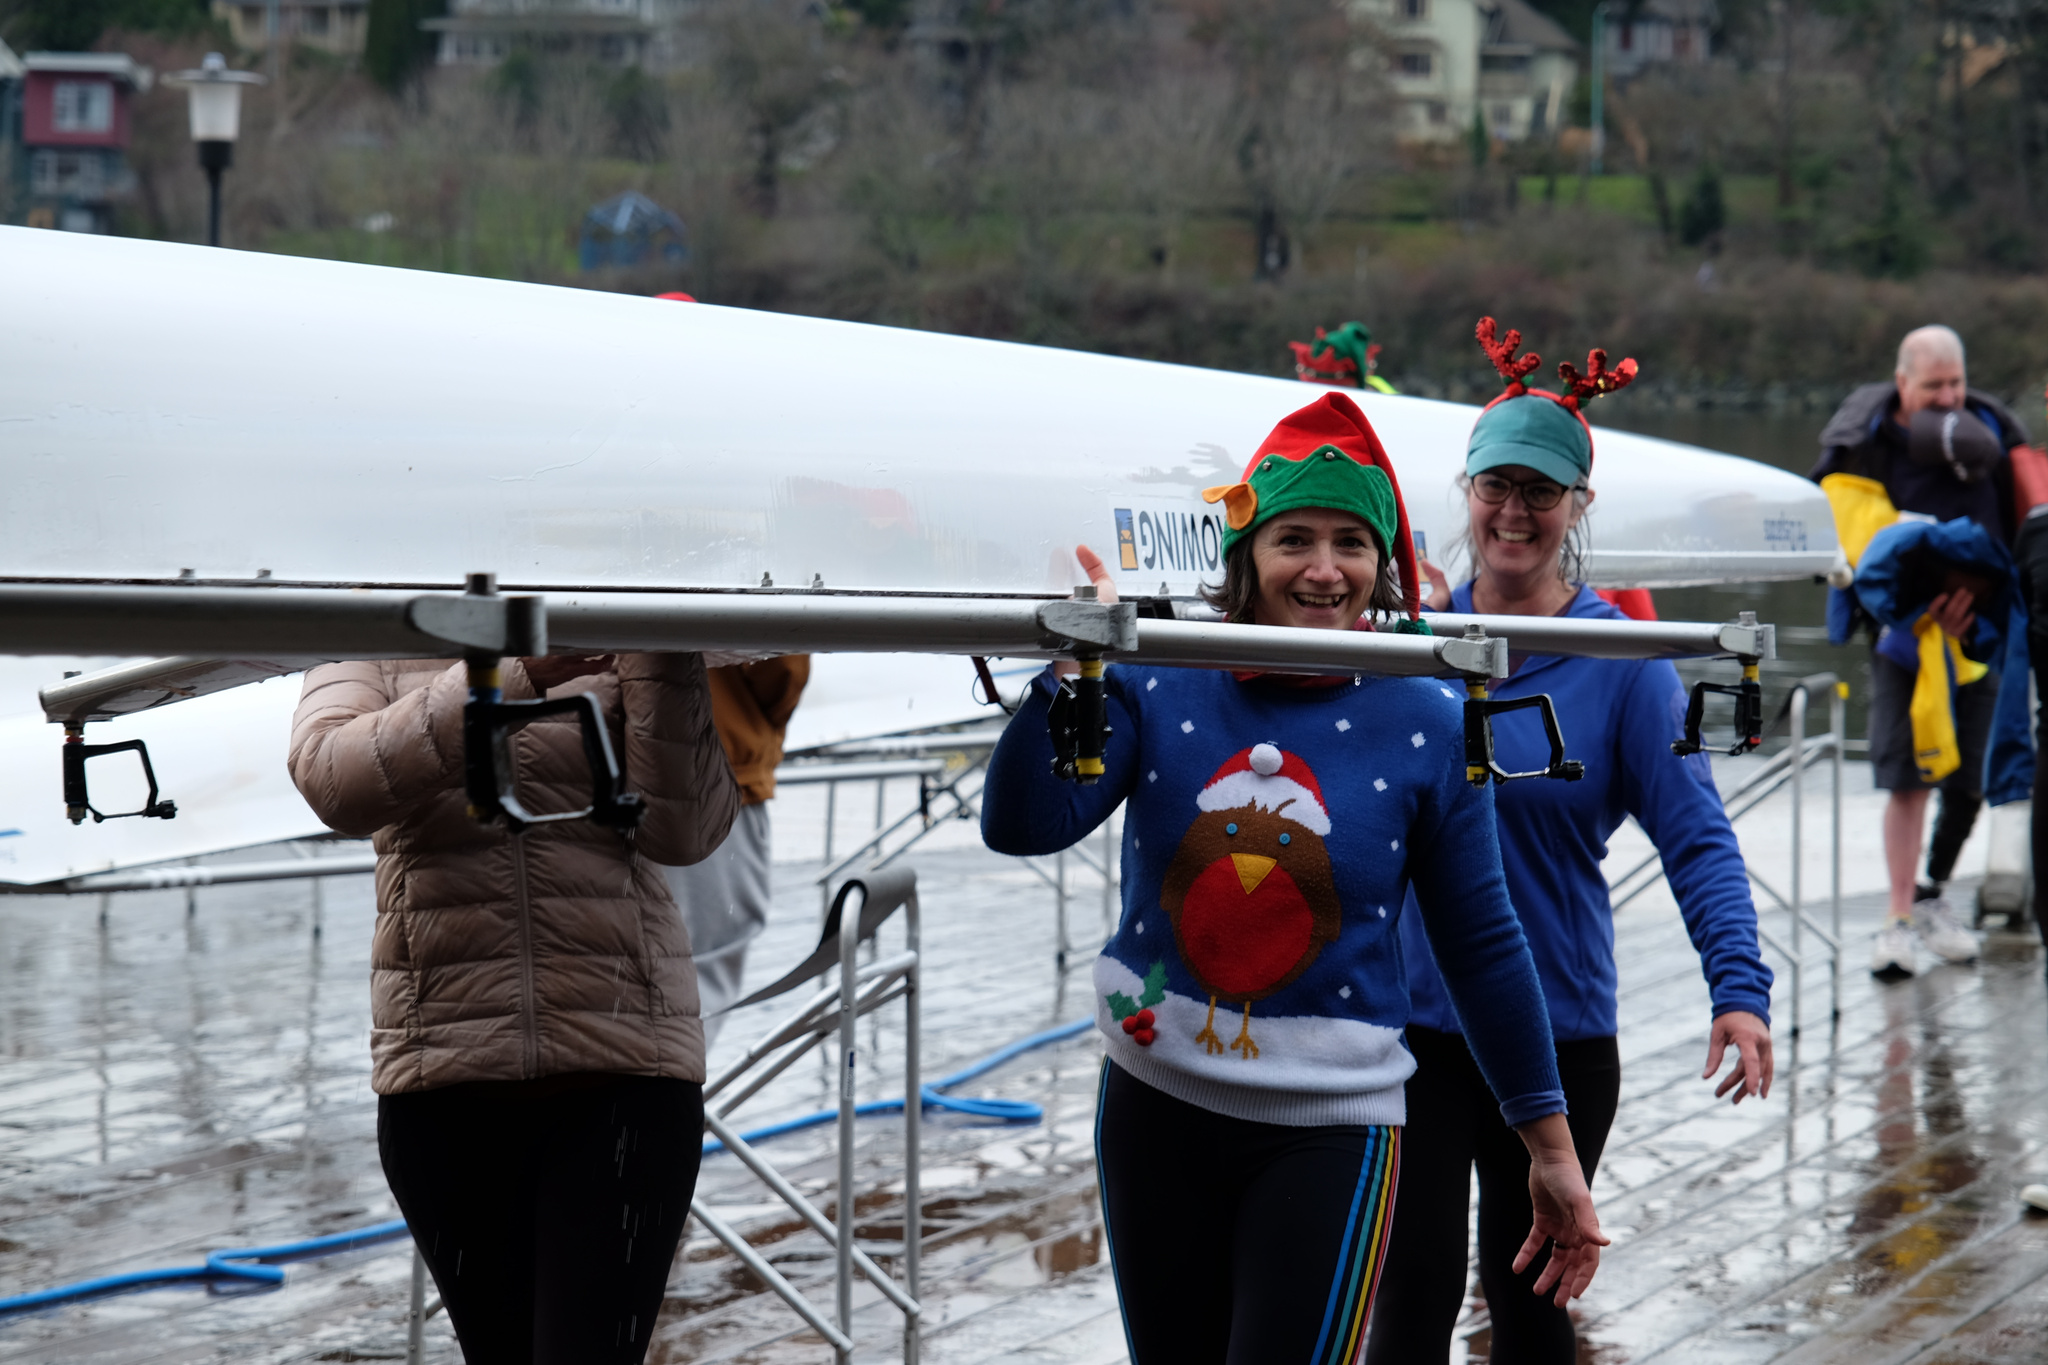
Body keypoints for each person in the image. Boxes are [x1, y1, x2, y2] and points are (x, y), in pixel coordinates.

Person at [980, 391, 1607, 1364]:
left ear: (1383, 565)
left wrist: (1551, 1152)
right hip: (1152, 1101)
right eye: (1293, 540)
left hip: (1330, 1126)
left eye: (1351, 543)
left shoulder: (1428, 719)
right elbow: (1024, 825)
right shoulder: (1160, 674)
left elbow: (1481, 947)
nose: (1323, 570)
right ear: (1246, 557)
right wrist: (1070, 671)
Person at [1366, 319, 1775, 1365]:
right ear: (1463, 491)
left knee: (1530, 1305)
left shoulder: (1621, 664)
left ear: (1575, 509)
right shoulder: (1399, 646)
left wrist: (1737, 991)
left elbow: (1696, 840)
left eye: (1539, 493)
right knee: (1401, 1297)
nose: (1513, 512)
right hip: (1404, 1026)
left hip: (1555, 1030)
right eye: (1495, 486)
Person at [287, 651, 739, 1365]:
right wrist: (513, 668)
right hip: (444, 1071)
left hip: (626, 1069)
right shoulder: (375, 618)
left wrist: (661, 656)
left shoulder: (623, 610)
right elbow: (333, 780)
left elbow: (684, 832)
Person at [1811, 325, 2030, 977]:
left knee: (1970, 779)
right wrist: (1910, 603)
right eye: (1934, 385)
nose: (1948, 396)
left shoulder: (1990, 437)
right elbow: (1851, 534)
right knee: (1906, 777)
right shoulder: (1872, 443)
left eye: (1956, 382)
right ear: (1902, 383)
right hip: (1903, 637)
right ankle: (1898, 919)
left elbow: (2018, 527)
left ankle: (1935, 892)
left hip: (1980, 634)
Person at [665, 657, 810, 1041]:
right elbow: (780, 663)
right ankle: (673, 1091)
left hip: (576, 762)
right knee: (700, 966)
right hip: (713, 762)